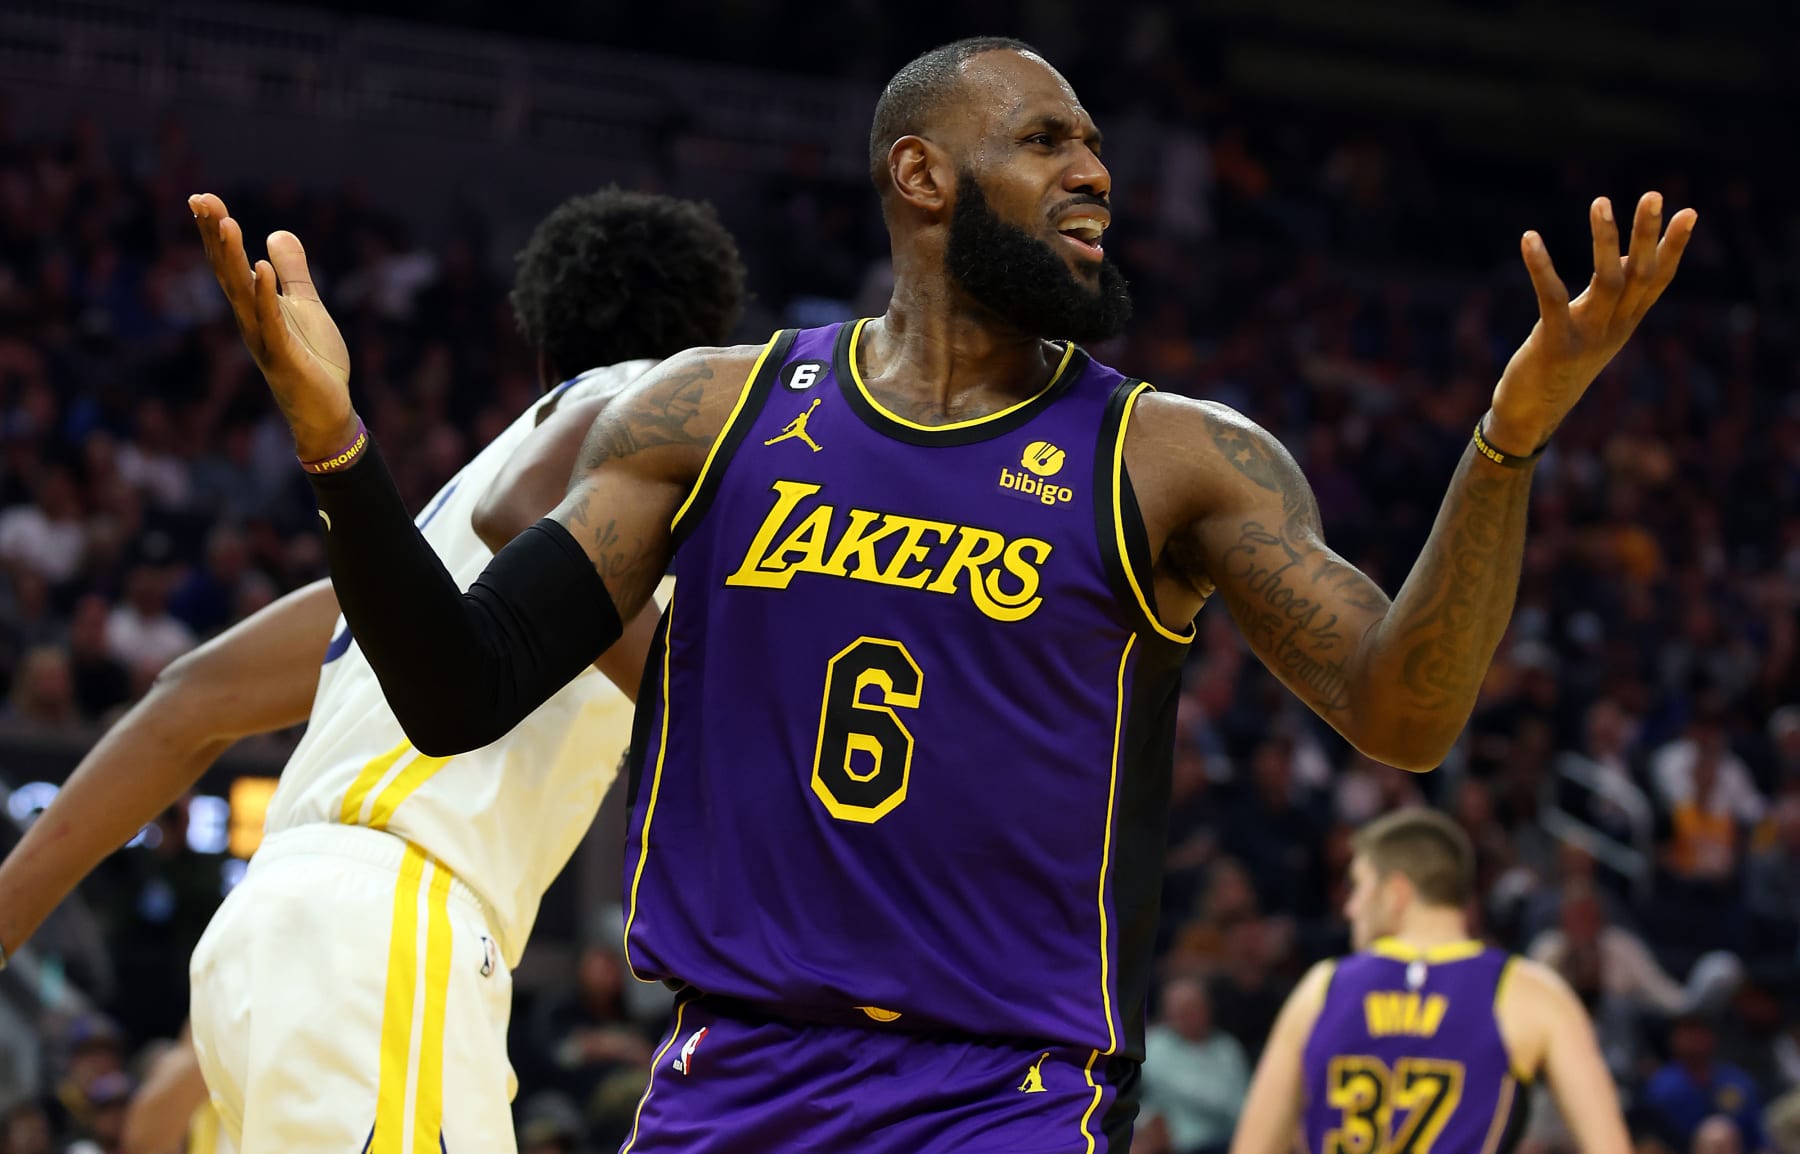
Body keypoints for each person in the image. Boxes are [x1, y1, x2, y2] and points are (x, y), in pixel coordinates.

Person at [195, 35, 1694, 1152]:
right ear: (921, 173)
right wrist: (338, 446)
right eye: (1048, 140)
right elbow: (455, 686)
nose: (1094, 172)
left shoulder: (1174, 455)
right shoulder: (717, 412)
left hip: (1003, 1096)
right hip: (730, 1081)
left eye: (1094, 144)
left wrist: (1508, 441)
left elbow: (1407, 710)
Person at [0, 187, 747, 1154]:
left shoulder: (432, 519)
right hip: (385, 925)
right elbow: (525, 509)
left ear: (537, 350)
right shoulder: (659, 409)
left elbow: (187, 702)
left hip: (264, 939)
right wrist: (713, 714)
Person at [1230, 809, 1628, 1154]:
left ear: (1397, 893)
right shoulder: (1529, 991)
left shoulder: (1321, 988)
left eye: (1360, 885)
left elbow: (1252, 1147)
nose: (1350, 907)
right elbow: (1608, 1146)